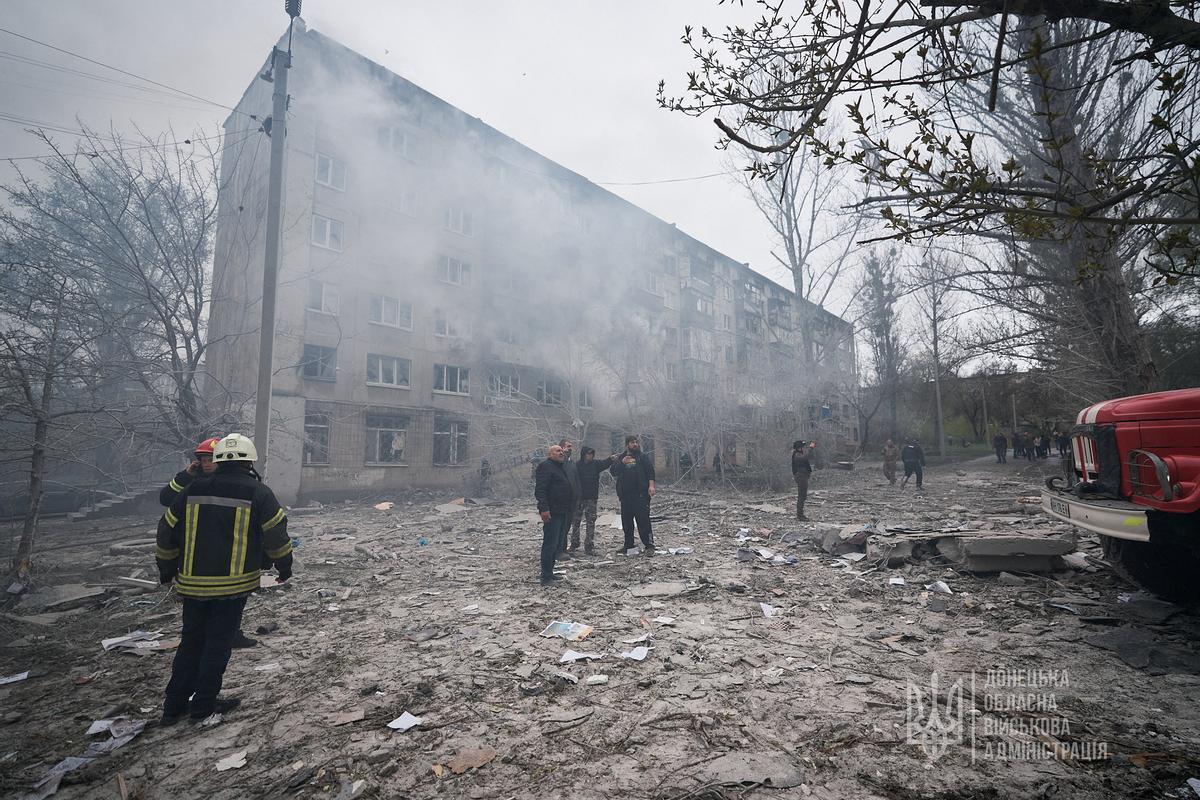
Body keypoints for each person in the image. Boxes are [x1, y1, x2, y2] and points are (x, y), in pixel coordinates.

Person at [155, 434, 292, 724]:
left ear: (216, 460)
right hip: (232, 586)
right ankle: (203, 706)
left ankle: (173, 706)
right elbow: (276, 534)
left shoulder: (193, 490)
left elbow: (166, 530)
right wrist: (284, 566)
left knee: (190, 642)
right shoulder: (258, 492)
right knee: (217, 644)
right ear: (250, 461)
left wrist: (166, 569)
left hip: (192, 585)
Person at [159, 437, 258, 651]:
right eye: (203, 459)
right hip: (196, 550)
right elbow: (166, 498)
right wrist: (185, 476)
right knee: (203, 605)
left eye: (211, 459)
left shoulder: (238, 484)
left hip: (228, 549)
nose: (206, 464)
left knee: (230, 599)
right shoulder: (193, 483)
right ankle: (208, 639)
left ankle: (233, 634)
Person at [610, 434, 656, 555]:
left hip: (641, 495)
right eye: (632, 442)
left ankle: (649, 545)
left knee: (643, 521)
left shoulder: (642, 457)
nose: (635, 444)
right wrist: (622, 463)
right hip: (625, 496)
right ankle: (628, 545)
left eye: (636, 442)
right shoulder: (621, 457)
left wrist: (651, 486)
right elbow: (613, 471)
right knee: (627, 522)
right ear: (627, 445)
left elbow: (650, 472)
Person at [534, 444, 572, 585]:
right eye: (558, 451)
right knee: (550, 544)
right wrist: (544, 509)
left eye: (562, 451)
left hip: (562, 511)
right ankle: (546, 577)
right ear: (550, 454)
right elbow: (541, 489)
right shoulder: (545, 466)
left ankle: (550, 572)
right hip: (552, 512)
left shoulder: (559, 467)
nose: (561, 453)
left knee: (556, 544)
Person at [571, 446, 615, 555]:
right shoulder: (577, 466)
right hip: (579, 498)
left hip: (592, 498)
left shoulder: (596, 464)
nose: (590, 456)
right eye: (588, 454)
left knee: (591, 522)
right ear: (583, 454)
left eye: (591, 454)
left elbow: (606, 462)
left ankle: (589, 545)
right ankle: (574, 543)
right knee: (576, 521)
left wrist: (612, 458)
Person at [557, 439, 581, 559]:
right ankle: (558, 550)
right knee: (560, 526)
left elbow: (576, 480)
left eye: (571, 447)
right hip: (561, 500)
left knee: (566, 526)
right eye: (567, 447)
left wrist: (578, 496)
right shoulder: (559, 463)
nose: (569, 449)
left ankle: (563, 549)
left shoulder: (572, 463)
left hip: (572, 500)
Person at [791, 440, 816, 519]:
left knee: (803, 496)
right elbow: (805, 457)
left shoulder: (799, 454)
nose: (804, 448)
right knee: (801, 496)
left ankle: (800, 514)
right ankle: (800, 515)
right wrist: (811, 448)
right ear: (799, 448)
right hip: (801, 477)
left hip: (803, 476)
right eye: (802, 446)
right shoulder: (797, 455)